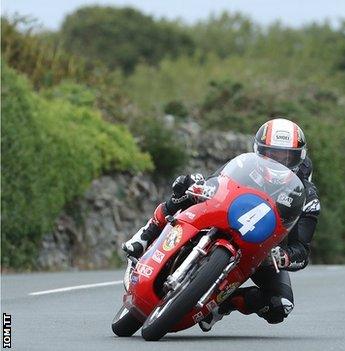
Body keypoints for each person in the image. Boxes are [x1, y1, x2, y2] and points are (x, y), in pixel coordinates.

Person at [122, 118, 321, 331]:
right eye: (272, 154)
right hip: (222, 217)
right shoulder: (245, 164)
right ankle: (146, 233)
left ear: (298, 157)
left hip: (260, 251)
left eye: (285, 156)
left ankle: (221, 306)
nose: (278, 161)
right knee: (185, 187)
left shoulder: (306, 195)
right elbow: (215, 182)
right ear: (259, 150)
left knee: (280, 306)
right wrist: (197, 186)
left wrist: (284, 256)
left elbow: (301, 250)